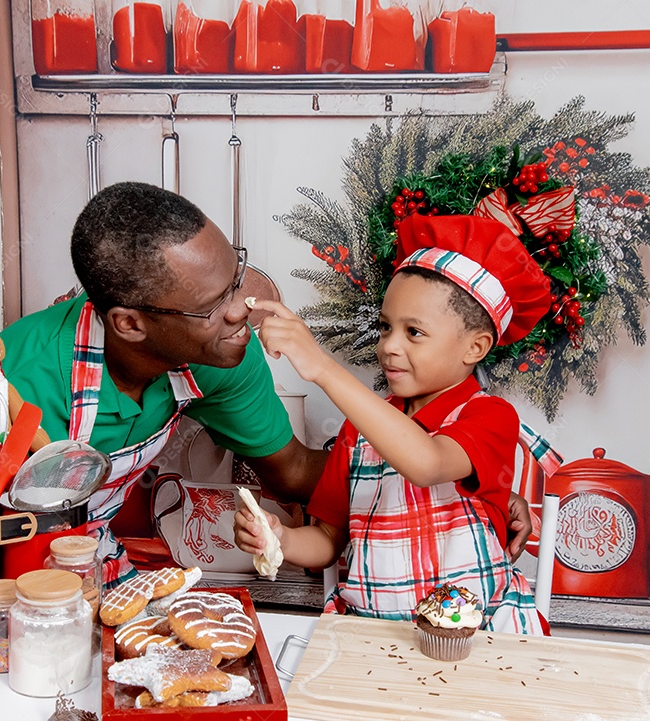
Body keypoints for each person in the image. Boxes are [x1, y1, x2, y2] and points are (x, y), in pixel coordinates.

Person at [1, 182, 532, 589]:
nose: (240, 312)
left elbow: (296, 470)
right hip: (6, 574)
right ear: (130, 325)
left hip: (100, 562)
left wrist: (474, 490)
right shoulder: (12, 382)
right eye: (212, 306)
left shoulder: (220, 353)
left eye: (236, 281)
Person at [235, 214, 549, 633]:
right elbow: (328, 540)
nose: (389, 346)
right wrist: (281, 539)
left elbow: (426, 463)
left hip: (480, 635)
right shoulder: (358, 430)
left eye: (414, 332)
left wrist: (322, 367)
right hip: (375, 635)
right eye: (385, 327)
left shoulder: (489, 415)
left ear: (475, 347)